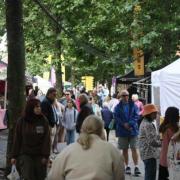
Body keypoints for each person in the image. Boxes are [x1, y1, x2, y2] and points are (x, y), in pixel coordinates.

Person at [47, 115, 125, 180]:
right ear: (101, 130)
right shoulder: (112, 151)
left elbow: (53, 177)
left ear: (82, 129)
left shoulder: (67, 151)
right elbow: (120, 177)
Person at [11, 99, 50, 180]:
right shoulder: (22, 121)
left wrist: (45, 156)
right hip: (25, 154)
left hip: (39, 154)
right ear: (30, 108)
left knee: (40, 176)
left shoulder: (43, 120)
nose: (39, 108)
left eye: (39, 107)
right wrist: (14, 156)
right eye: (36, 107)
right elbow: (17, 139)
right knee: (27, 175)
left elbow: (46, 139)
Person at [114, 89, 141, 176]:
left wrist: (129, 124)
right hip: (122, 131)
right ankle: (127, 166)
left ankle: (136, 166)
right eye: (124, 95)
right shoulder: (117, 107)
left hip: (132, 130)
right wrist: (124, 125)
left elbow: (136, 116)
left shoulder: (134, 105)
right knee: (124, 149)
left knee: (134, 148)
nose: (126, 97)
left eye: (127, 95)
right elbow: (116, 118)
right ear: (120, 97)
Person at [139, 104, 161, 180]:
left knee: (149, 175)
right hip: (149, 154)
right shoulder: (148, 124)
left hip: (147, 154)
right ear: (149, 114)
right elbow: (152, 141)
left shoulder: (145, 122)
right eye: (154, 113)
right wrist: (162, 144)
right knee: (150, 176)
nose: (156, 115)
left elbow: (152, 137)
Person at [158, 107, 179, 180]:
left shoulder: (165, 127)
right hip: (170, 159)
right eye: (178, 115)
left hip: (163, 158)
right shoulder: (172, 129)